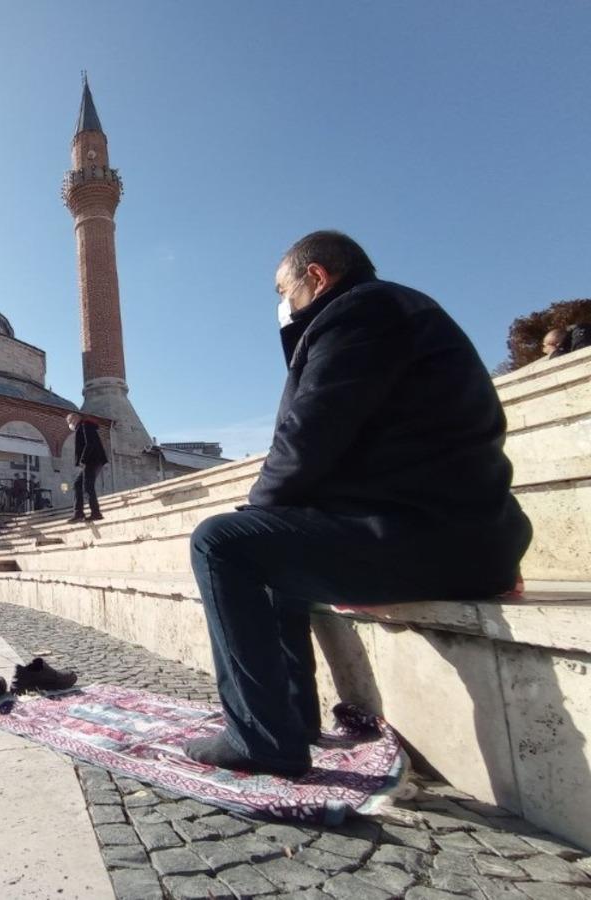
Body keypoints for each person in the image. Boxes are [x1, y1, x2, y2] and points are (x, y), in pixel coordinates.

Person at [183, 231, 532, 778]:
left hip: (426, 536)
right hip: (461, 533)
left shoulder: (358, 314)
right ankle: (289, 720)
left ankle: (260, 737)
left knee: (222, 543)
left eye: (284, 290)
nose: (283, 304)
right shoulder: (398, 309)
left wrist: (258, 509)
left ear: (316, 277)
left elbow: (310, 434)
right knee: (266, 538)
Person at [67, 412, 107, 522]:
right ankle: (78, 513)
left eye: (69, 421)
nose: (69, 424)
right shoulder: (82, 427)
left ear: (75, 418)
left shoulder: (85, 425)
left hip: (93, 459)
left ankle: (95, 513)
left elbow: (90, 443)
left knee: (88, 485)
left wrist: (83, 460)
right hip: (91, 460)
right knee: (78, 484)